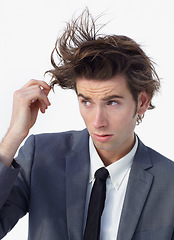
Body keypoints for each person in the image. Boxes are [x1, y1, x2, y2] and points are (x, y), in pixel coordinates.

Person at [0, 8, 174, 240]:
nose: (97, 121)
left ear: (141, 102)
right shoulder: (40, 157)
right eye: (87, 102)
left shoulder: (169, 184)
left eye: (112, 102)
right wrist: (12, 138)